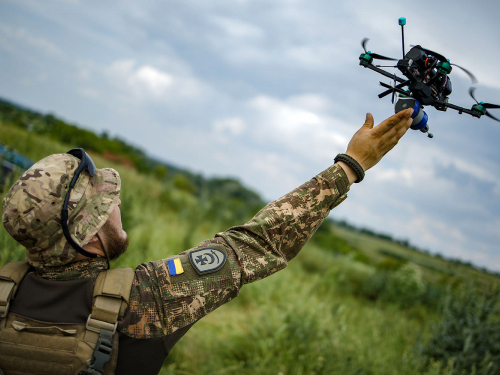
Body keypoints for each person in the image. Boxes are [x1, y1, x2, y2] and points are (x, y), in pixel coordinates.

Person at [0, 109, 413, 374]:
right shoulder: (145, 302)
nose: (118, 202)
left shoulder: (4, 293)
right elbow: (256, 244)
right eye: (106, 202)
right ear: (86, 232)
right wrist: (350, 166)